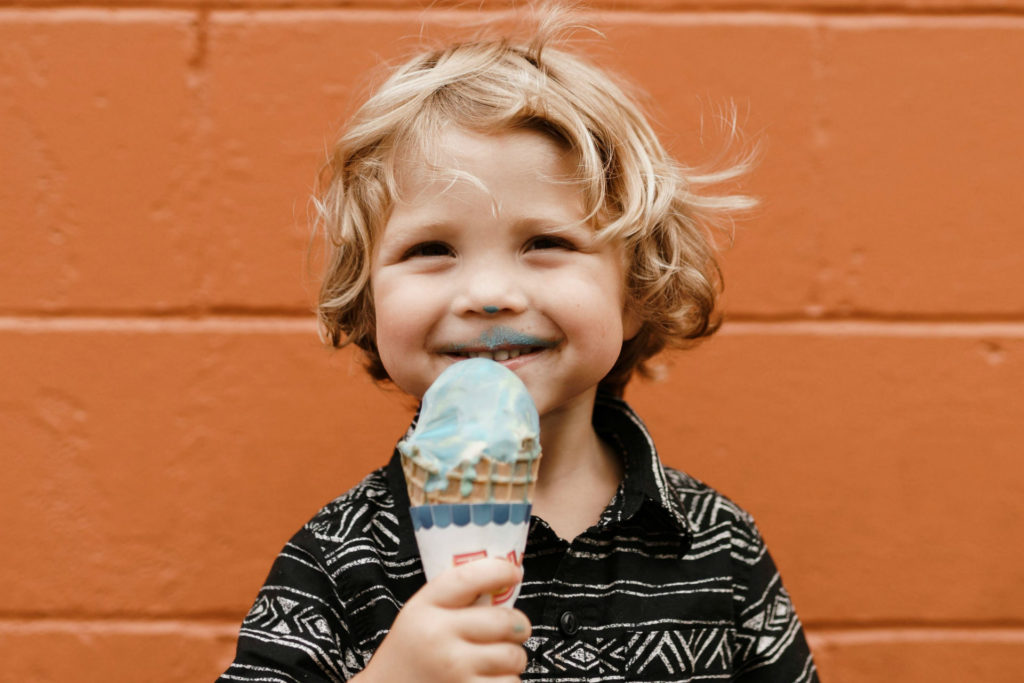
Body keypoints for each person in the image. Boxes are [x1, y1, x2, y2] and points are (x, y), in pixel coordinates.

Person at [220, 7, 819, 682]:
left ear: (633, 291)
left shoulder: (718, 544)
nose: (489, 292)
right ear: (369, 300)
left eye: (546, 243)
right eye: (431, 248)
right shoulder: (337, 557)